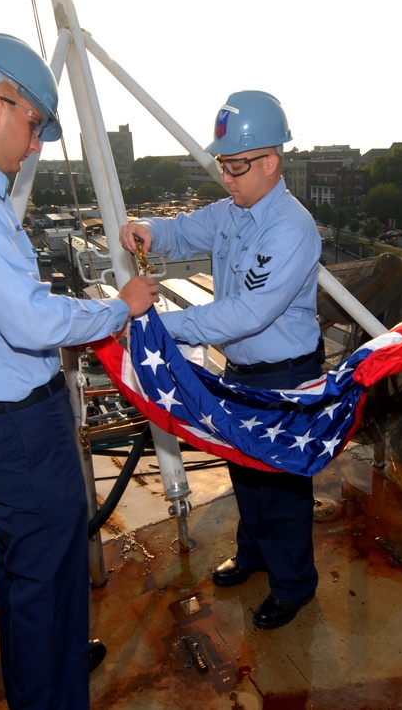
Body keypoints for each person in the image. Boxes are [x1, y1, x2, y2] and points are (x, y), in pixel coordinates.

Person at [0, 33, 160, 710]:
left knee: (35, 570)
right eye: (34, 124)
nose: (36, 144)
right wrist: (117, 308)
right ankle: (52, 691)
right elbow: (32, 322)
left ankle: (54, 663)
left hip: (6, 421)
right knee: (44, 576)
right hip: (19, 426)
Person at [119, 90, 321, 630]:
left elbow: (246, 313)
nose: (227, 177)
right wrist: (147, 229)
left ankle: (294, 585)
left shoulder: (290, 227)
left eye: (236, 166)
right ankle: (255, 555)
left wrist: (157, 324)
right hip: (241, 371)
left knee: (279, 485)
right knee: (246, 473)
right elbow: (181, 230)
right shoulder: (234, 211)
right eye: (223, 166)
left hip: (285, 375)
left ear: (270, 162)